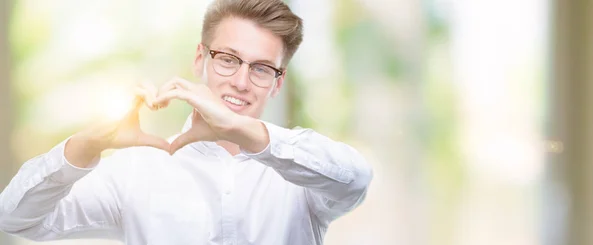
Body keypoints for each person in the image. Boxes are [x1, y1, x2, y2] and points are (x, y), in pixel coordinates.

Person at [0, 0, 373, 244]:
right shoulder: (136, 171)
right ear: (201, 60)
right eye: (228, 58)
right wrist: (84, 146)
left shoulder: (301, 172)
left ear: (278, 83)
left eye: (260, 68)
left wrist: (237, 129)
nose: (241, 82)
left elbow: (355, 180)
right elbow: (15, 219)